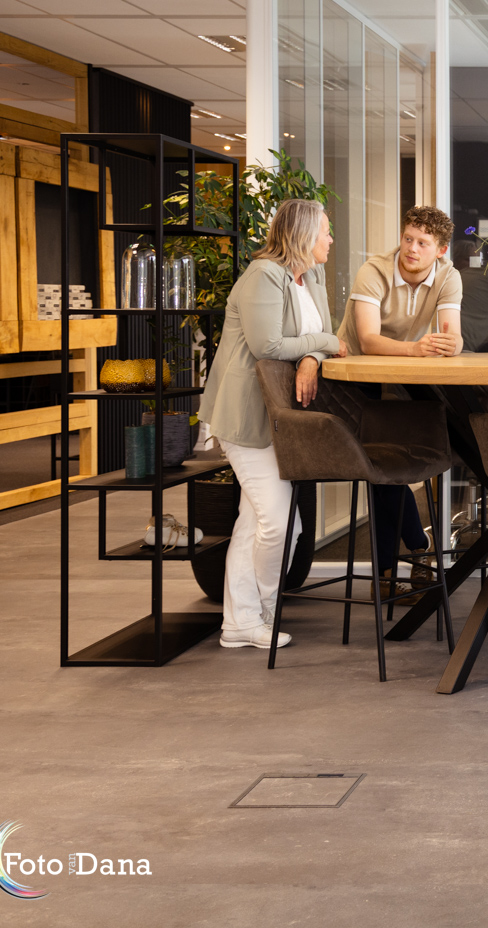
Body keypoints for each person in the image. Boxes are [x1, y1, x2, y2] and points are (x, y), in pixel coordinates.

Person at [198, 198, 344, 650]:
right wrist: (324, 343)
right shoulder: (263, 275)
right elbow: (269, 346)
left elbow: (317, 338)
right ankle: (261, 608)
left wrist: (313, 355)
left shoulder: (310, 277)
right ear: (303, 235)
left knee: (257, 521)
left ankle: (240, 621)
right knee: (279, 524)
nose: (331, 239)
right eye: (325, 231)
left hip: (280, 415)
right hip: (246, 415)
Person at [335, 205, 463, 586]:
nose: (411, 248)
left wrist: (452, 344)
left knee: (383, 468)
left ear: (440, 250)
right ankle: (416, 549)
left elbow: (452, 334)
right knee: (378, 468)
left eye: (423, 243)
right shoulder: (374, 271)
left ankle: (388, 576)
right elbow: (367, 340)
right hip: (352, 375)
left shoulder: (448, 276)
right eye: (408, 238)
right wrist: (417, 349)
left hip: (396, 375)